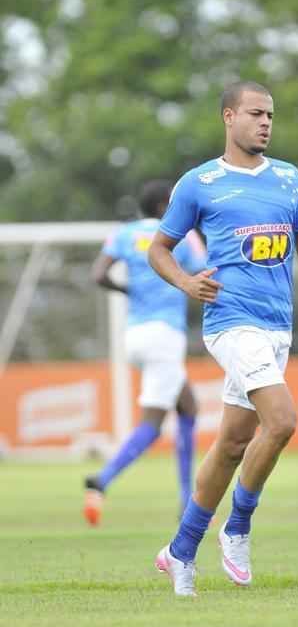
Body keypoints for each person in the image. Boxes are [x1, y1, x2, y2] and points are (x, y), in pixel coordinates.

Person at [148, 80, 298, 596]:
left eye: (270, 115)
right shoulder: (199, 182)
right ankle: (237, 527)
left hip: (277, 327)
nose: (266, 123)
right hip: (231, 322)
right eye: (255, 114)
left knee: (232, 443)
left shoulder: (289, 178)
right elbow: (159, 249)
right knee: (283, 421)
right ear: (229, 117)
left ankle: (180, 550)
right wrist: (186, 282)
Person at [84, 179, 206, 526]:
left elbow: (98, 275)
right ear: (165, 206)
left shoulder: (124, 234)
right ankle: (102, 480)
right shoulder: (182, 234)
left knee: (188, 406)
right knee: (152, 425)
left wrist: (129, 291)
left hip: (135, 334)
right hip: (165, 334)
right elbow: (206, 268)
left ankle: (187, 499)